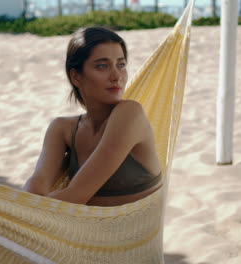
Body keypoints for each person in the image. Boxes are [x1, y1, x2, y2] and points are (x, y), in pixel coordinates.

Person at [23, 27, 162, 207]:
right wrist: (24, 207)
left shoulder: (131, 114)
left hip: (131, 233)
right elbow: (36, 185)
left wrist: (27, 210)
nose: (116, 76)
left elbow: (76, 195)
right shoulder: (62, 128)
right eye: (102, 66)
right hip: (79, 231)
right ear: (76, 77)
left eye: (121, 65)